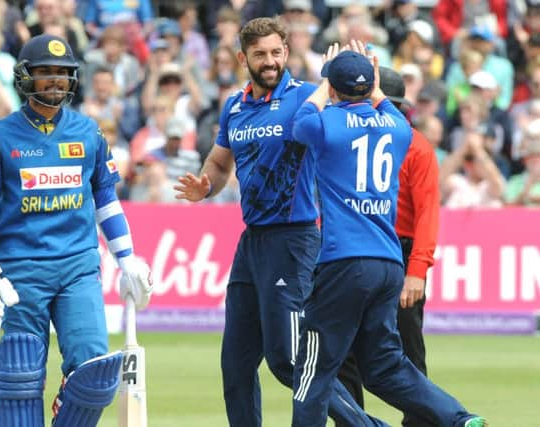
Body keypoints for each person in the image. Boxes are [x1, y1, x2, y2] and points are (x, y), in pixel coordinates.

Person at [290, 40, 487, 427]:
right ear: (373, 85)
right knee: (385, 366)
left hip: (344, 260)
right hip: (388, 263)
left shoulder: (326, 124)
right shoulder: (398, 129)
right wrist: (371, 82)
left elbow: (301, 122)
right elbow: (381, 104)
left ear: (334, 87)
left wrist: (325, 77)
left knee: (312, 367)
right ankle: (457, 418)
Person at [0, 34, 153, 427]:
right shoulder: (0, 135)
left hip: (78, 268)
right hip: (20, 271)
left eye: (63, 74)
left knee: (96, 376)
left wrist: (127, 258)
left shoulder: (89, 132)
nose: (55, 81)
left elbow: (105, 198)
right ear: (25, 77)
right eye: (45, 73)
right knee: (19, 379)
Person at [174, 16, 352, 427]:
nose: (269, 61)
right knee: (235, 367)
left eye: (276, 53)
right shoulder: (235, 107)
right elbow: (220, 163)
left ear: (286, 53)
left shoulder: (308, 97)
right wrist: (207, 185)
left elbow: (350, 119)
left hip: (294, 240)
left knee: (289, 361)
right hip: (251, 242)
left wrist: (353, 77)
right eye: (260, 54)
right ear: (243, 58)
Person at [337, 65, 442, 427]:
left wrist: (417, 271)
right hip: (357, 246)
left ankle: (422, 422)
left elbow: (428, 212)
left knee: (406, 352)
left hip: (398, 249)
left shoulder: (416, 147)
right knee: (344, 349)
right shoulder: (353, 139)